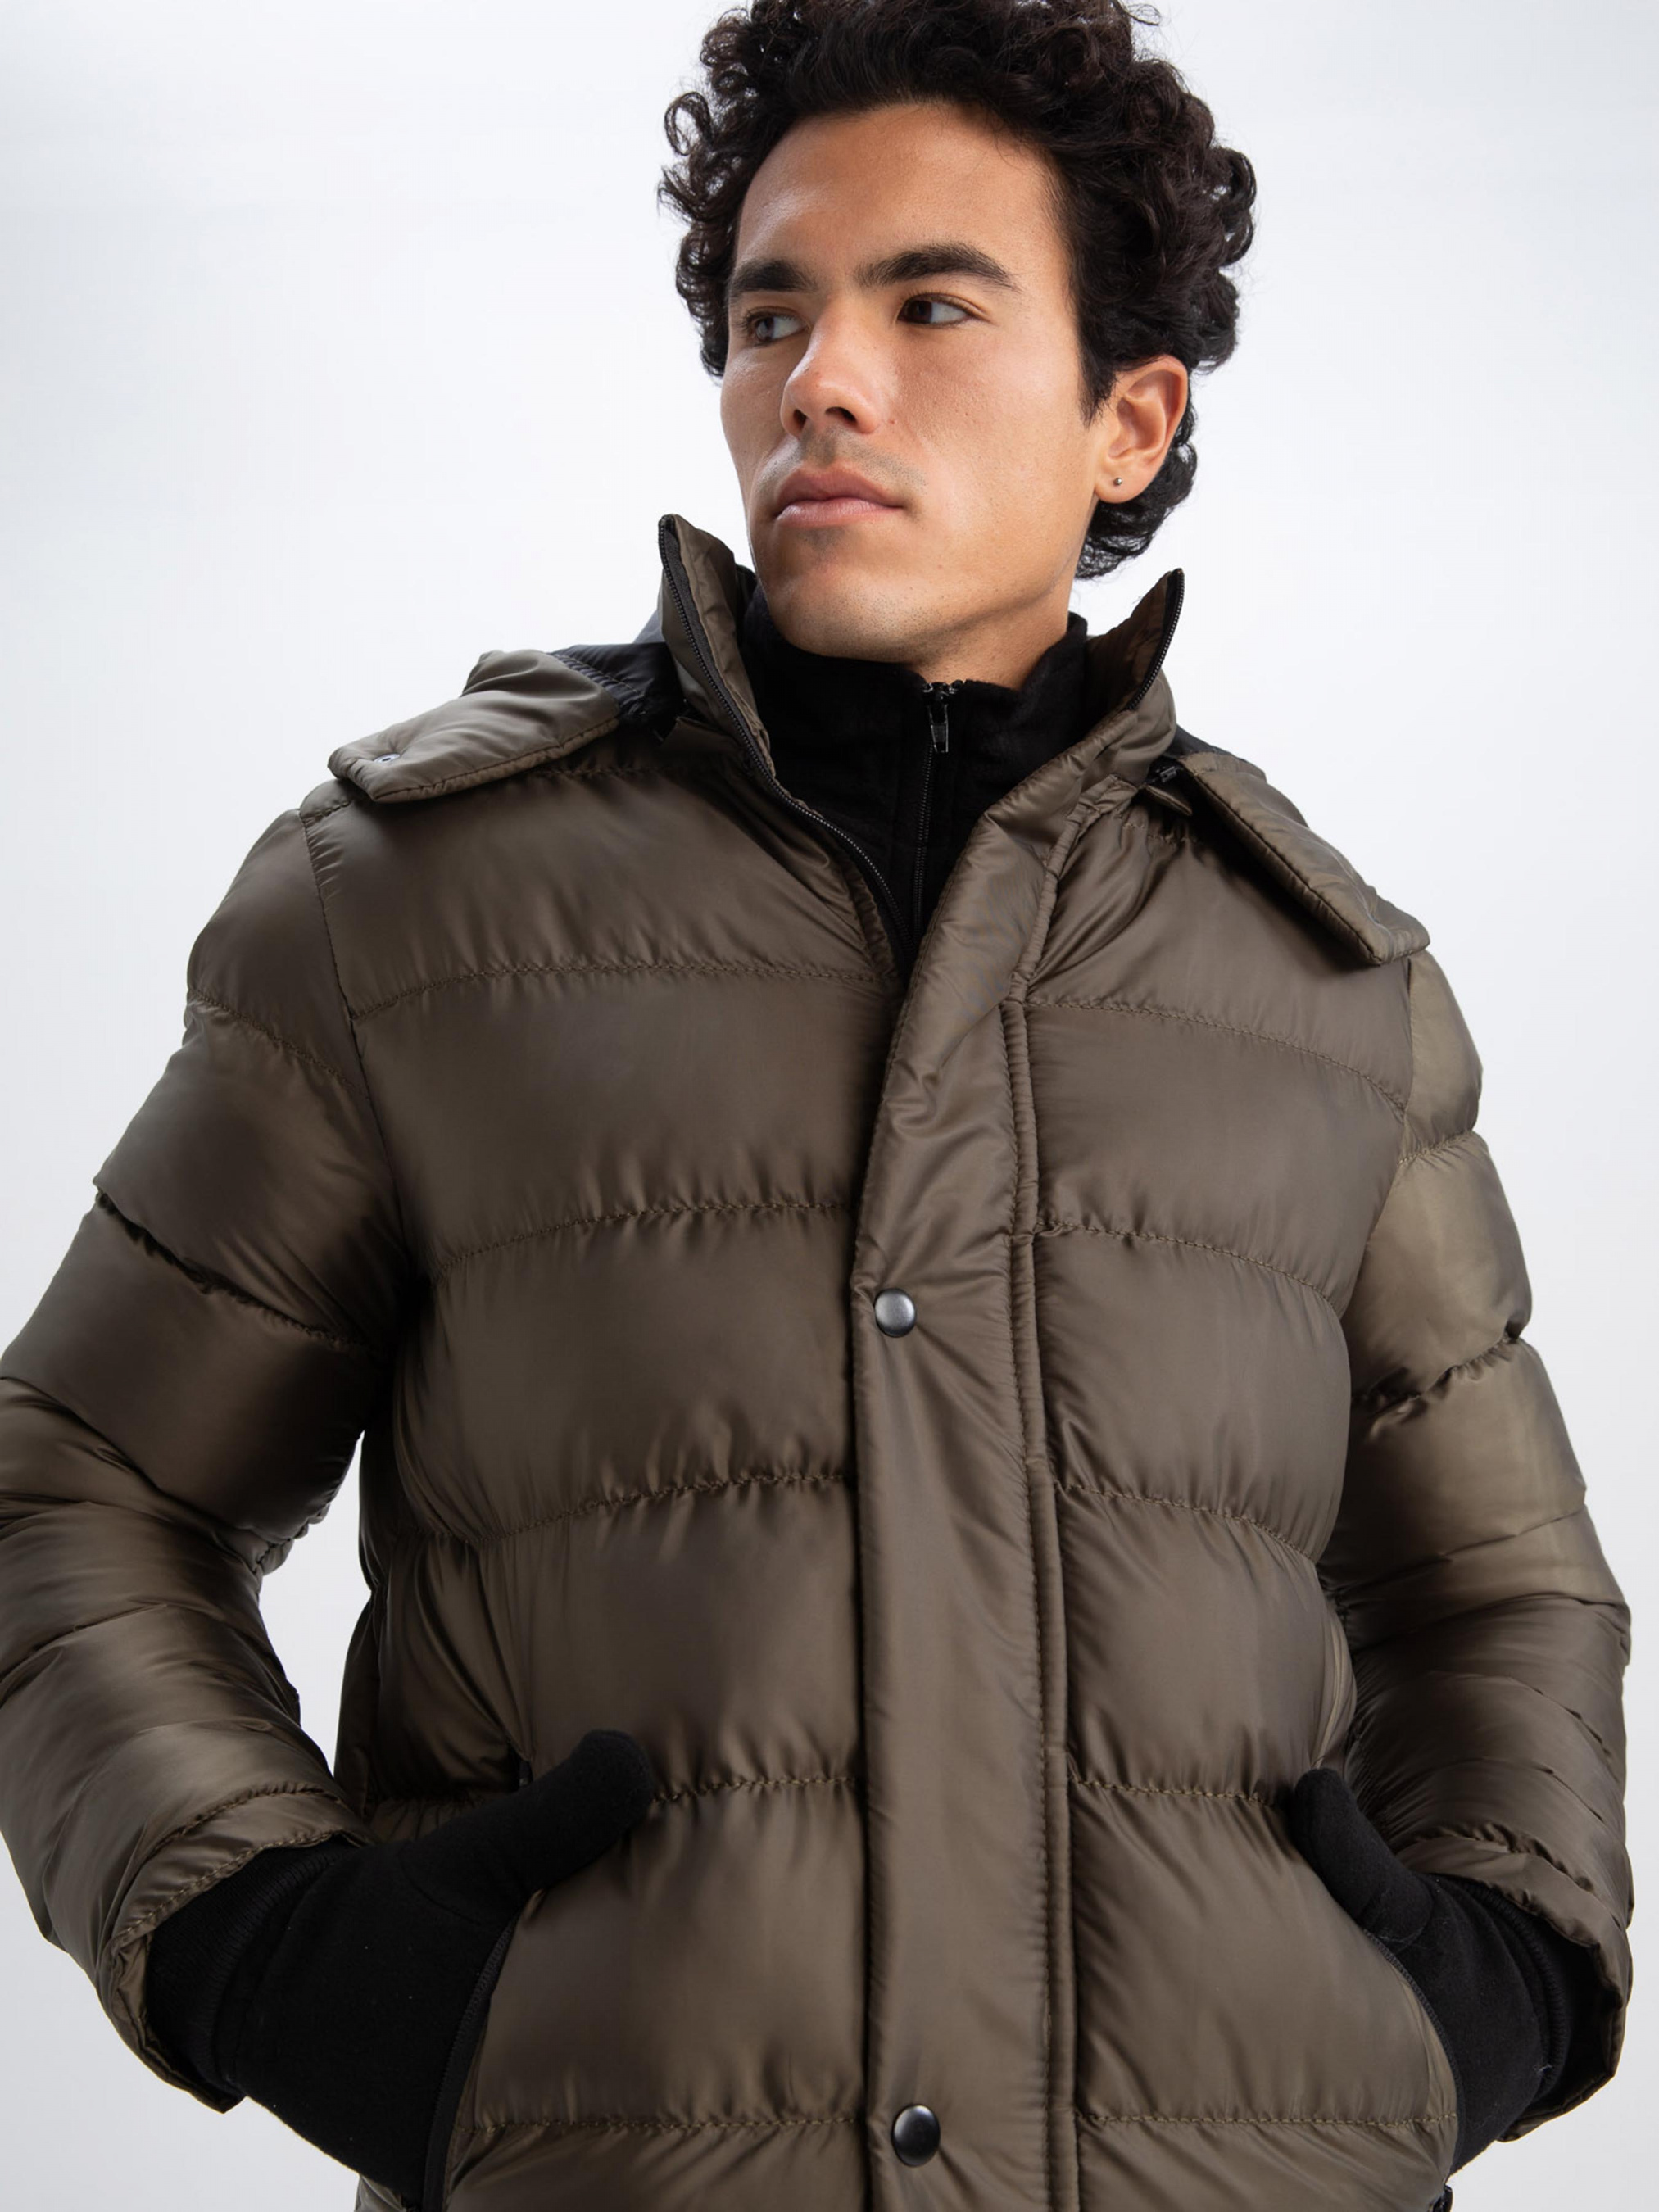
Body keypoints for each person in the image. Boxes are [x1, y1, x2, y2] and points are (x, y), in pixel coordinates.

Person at [0, 3, 1631, 2209]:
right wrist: (270, 1954)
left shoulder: (1325, 984)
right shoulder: (413, 909)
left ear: (1130, 419)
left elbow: (1502, 1592)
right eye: (772, 316)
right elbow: (78, 1485)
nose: (819, 383)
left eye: (928, 306)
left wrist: (1494, 1974)